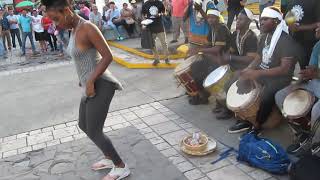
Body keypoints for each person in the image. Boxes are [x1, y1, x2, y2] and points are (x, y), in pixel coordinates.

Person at [41, 0, 130, 179]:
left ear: (66, 11)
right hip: (90, 84)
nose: (56, 24)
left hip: (102, 84)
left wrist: (90, 81)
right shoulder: (74, 29)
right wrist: (83, 79)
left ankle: (121, 166)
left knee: (94, 131)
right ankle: (108, 157)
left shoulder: (87, 27)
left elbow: (107, 56)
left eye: (56, 19)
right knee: (84, 125)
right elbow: (83, 59)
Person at [228, 7, 302, 134]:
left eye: (265, 19)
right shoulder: (264, 37)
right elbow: (258, 58)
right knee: (238, 80)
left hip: (280, 78)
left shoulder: (286, 41)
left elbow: (284, 69)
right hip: (263, 72)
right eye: (261, 19)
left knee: (266, 94)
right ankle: (246, 118)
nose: (261, 22)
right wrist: (248, 70)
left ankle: (257, 125)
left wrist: (256, 73)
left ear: (276, 21)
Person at [275, 25, 320, 155]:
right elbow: (311, 68)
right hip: (315, 84)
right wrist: (298, 82)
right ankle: (303, 133)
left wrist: (317, 74)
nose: (316, 29)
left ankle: (315, 145)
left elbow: (316, 73)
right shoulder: (318, 46)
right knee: (280, 96)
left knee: (317, 110)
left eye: (319, 27)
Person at [213, 8, 258, 122]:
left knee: (229, 81)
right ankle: (222, 103)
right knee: (219, 76)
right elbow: (231, 51)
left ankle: (228, 110)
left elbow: (250, 59)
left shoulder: (252, 38)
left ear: (248, 22)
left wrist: (231, 58)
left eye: (241, 19)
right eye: (237, 19)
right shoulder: (235, 35)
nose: (237, 21)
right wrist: (224, 59)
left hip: (248, 68)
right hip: (236, 65)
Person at [188, 8, 231, 105]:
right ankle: (201, 94)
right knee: (194, 67)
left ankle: (204, 96)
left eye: (213, 18)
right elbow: (207, 44)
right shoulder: (212, 28)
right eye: (209, 18)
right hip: (213, 58)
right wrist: (194, 50)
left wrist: (200, 50)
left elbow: (217, 49)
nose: (210, 20)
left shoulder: (221, 28)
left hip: (222, 60)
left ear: (218, 18)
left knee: (201, 74)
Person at [287, 0, 320, 69]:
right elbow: (288, 17)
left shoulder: (316, 2)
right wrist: (289, 24)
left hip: (310, 41)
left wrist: (299, 28)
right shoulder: (291, 1)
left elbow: (318, 23)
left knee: (308, 65)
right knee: (300, 64)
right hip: (295, 39)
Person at [142, 0, 170, 65]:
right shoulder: (146, 4)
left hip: (159, 26)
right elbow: (143, 15)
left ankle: (166, 58)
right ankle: (156, 59)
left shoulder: (159, 3)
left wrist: (160, 14)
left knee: (164, 43)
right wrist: (144, 23)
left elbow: (165, 13)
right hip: (150, 27)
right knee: (152, 44)